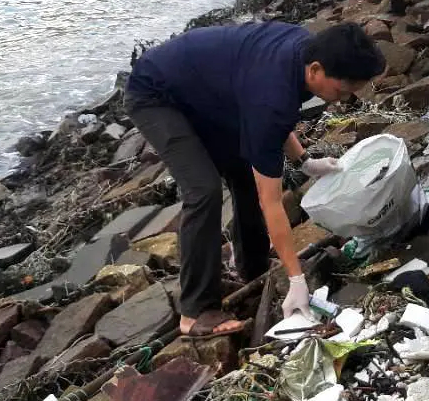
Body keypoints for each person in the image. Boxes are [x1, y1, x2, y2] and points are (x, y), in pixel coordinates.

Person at [125, 23, 387, 338]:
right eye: (342, 91)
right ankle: (194, 312)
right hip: (156, 94)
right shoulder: (274, 89)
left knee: (243, 170)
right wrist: (297, 279)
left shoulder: (307, 52)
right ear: (316, 70)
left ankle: (252, 266)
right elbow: (271, 201)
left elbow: (277, 120)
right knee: (203, 190)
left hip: (209, 93)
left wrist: (305, 162)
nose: (344, 99)